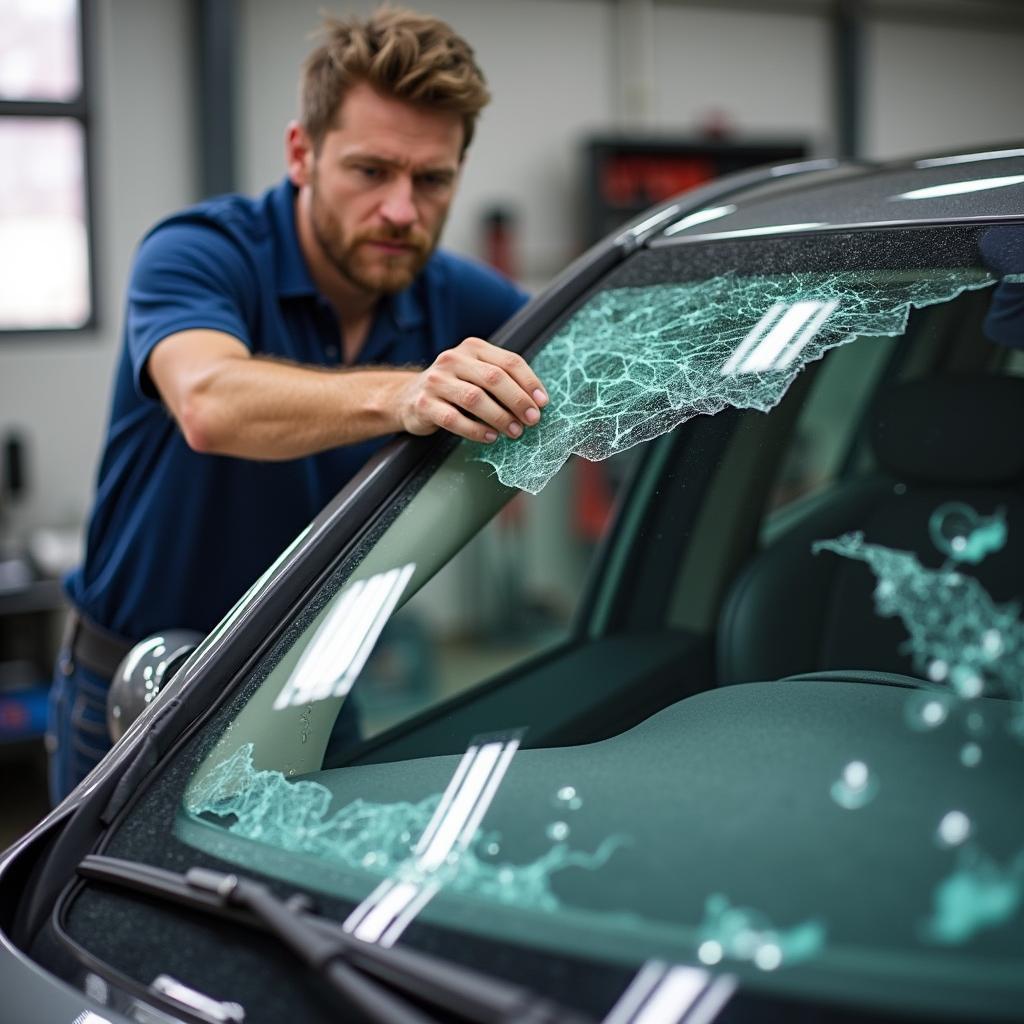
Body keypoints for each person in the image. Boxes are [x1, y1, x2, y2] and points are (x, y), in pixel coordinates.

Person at [47, 6, 548, 803]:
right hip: (141, 693)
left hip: (316, 693)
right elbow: (210, 401)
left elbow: (588, 356)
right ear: (300, 154)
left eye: (432, 180)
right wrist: (404, 392)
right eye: (371, 171)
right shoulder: (199, 253)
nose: (401, 211)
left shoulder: (453, 294)